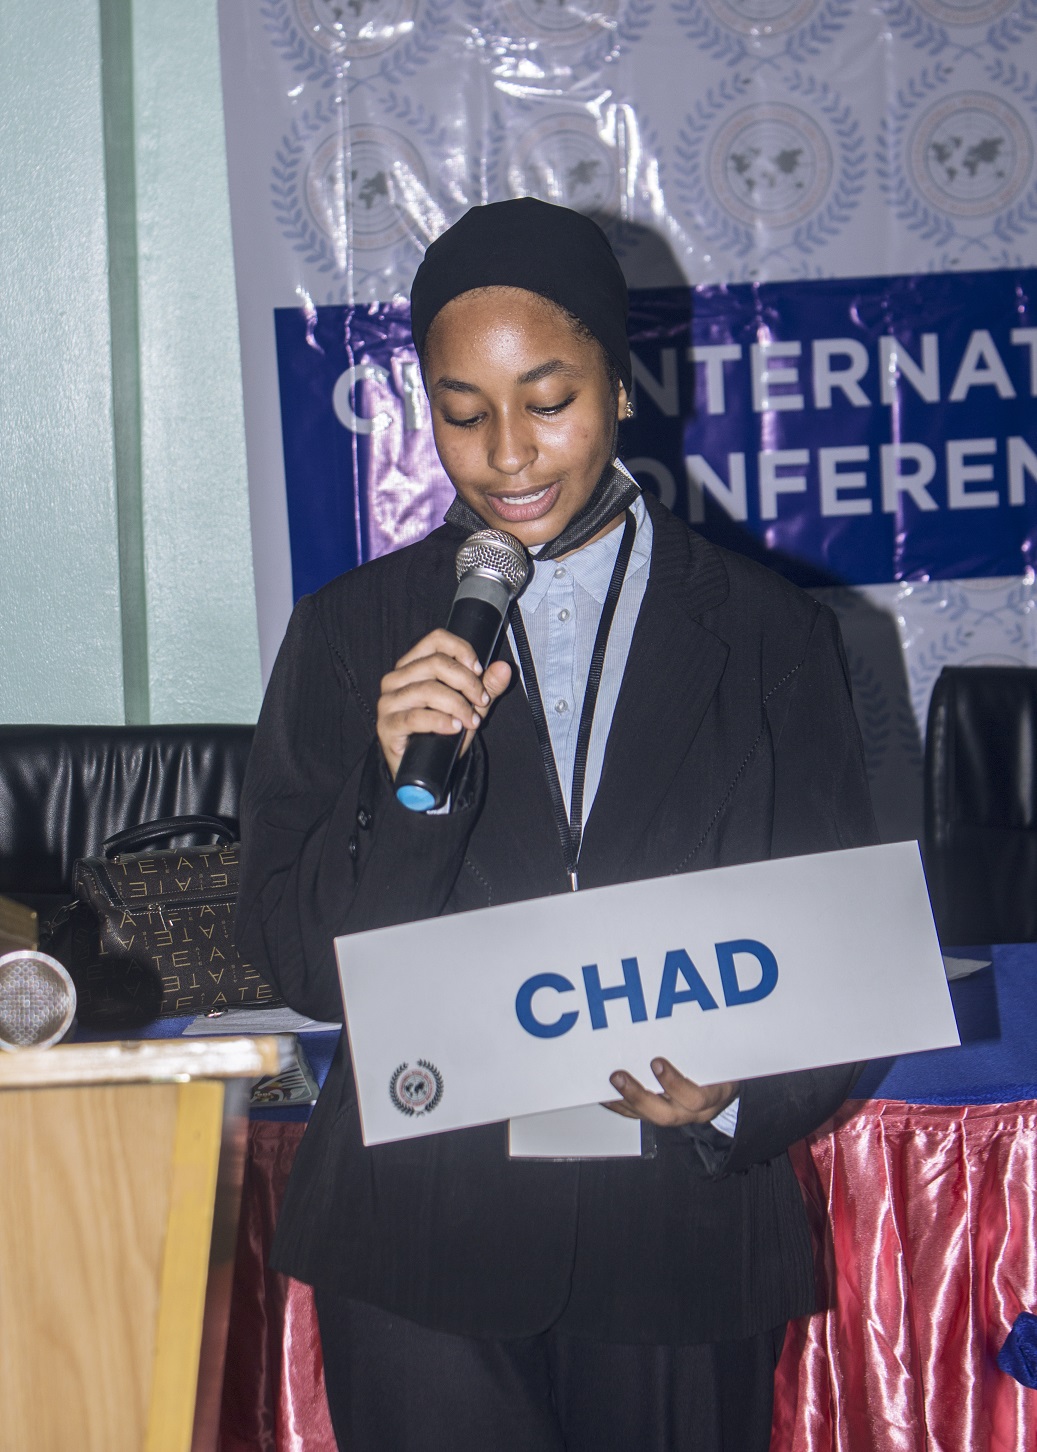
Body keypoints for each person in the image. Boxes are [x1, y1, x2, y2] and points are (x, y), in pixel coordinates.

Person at [237, 197, 878, 1452]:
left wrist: (742, 1089)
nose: (507, 455)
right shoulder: (353, 632)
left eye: (548, 401)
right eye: (462, 413)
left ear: (621, 387)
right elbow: (300, 962)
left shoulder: (771, 634)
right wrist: (401, 787)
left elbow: (845, 946)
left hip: (677, 1231)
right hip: (420, 1225)